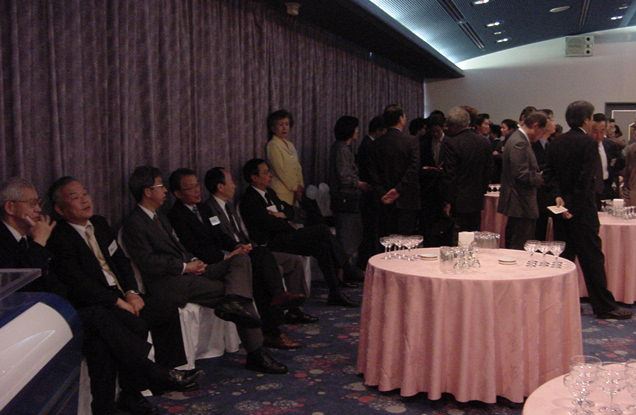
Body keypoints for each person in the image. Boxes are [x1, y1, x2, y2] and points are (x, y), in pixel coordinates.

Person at [46, 176, 201, 415]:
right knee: (127, 327)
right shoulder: (60, 237)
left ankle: (162, 374)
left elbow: (121, 261)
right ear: (59, 209)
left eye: (85, 193)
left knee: (165, 308)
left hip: (120, 295)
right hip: (95, 303)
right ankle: (144, 383)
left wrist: (131, 292)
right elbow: (78, 283)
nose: (85, 200)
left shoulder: (99, 223)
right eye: (75, 197)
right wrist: (117, 301)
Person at [121, 165, 288, 374]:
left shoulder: (159, 216)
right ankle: (256, 353)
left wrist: (193, 261)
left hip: (191, 269)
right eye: (160, 186)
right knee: (236, 295)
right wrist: (184, 267)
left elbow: (179, 247)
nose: (164, 191)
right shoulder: (135, 223)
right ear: (147, 191)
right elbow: (148, 262)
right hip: (169, 283)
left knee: (240, 260)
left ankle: (236, 305)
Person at [167, 167, 304, 350]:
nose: (197, 190)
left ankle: (275, 312)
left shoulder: (204, 208)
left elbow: (219, 234)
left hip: (227, 258)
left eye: (197, 185)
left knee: (259, 256)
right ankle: (272, 326)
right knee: (257, 269)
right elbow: (194, 247)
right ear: (177, 193)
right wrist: (225, 256)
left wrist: (236, 246)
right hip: (208, 263)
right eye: (190, 188)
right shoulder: (176, 216)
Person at [544, 100, 631, 320]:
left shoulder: (556, 142)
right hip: (581, 211)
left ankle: (558, 301)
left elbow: (549, 174)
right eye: (591, 118)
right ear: (586, 120)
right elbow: (585, 181)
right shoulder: (588, 143)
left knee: (564, 257)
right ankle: (604, 306)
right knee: (592, 258)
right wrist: (572, 207)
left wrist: (559, 199)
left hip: (560, 208)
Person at [204, 167, 318, 325]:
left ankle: (295, 309)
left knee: (293, 261)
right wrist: (238, 247)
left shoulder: (229, 206)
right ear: (220, 187)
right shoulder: (209, 209)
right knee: (267, 263)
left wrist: (247, 244)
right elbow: (218, 237)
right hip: (235, 255)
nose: (235, 185)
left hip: (248, 248)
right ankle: (277, 306)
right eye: (231, 182)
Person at [240, 158, 360, 307]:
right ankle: (347, 268)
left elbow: (288, 209)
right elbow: (267, 224)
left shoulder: (269, 193)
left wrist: (283, 215)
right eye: (265, 172)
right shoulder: (250, 199)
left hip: (286, 236)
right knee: (322, 230)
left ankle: (335, 293)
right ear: (254, 177)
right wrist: (284, 220)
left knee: (322, 246)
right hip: (272, 242)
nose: (270, 175)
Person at [0, 177, 63, 294]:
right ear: (10, 207)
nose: (38, 209)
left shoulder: (32, 238)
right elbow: (19, 283)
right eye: (32, 204)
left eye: (38, 203)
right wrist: (39, 241)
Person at [367, 104, 420, 236]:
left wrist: (382, 192)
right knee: (406, 240)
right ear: (401, 118)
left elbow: (372, 172)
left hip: (383, 199)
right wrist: (398, 190)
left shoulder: (376, 143)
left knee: (385, 239)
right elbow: (413, 169)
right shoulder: (411, 141)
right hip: (406, 199)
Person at [497, 112, 547, 249]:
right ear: (536, 126)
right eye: (542, 131)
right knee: (519, 244)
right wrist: (542, 178)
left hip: (518, 201)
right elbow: (520, 173)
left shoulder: (517, 138)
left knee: (517, 240)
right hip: (520, 201)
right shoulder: (520, 141)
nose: (541, 135)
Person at [441, 106, 493, 233]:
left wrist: (447, 200)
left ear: (453, 125)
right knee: (474, 234)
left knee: (458, 236)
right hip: (476, 198)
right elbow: (488, 171)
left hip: (458, 200)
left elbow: (450, 175)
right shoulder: (484, 142)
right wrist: (481, 190)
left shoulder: (451, 143)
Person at [329, 115, 367, 269]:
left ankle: (344, 272)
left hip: (344, 199)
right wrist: (360, 184)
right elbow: (344, 177)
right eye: (356, 128)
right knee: (347, 237)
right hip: (346, 199)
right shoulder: (342, 149)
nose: (357, 131)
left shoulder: (340, 147)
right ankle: (344, 273)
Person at [355, 115, 385, 268]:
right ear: (379, 130)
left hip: (369, 193)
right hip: (369, 193)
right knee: (370, 230)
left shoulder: (367, 143)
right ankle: (366, 263)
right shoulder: (369, 145)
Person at [418, 113, 453, 246]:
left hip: (445, 188)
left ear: (443, 127)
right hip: (428, 189)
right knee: (428, 226)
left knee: (446, 225)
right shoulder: (424, 142)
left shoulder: (450, 142)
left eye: (437, 131)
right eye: (432, 131)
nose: (435, 134)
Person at [266, 109, 304, 206]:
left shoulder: (290, 144)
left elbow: (297, 167)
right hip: (281, 190)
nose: (284, 128)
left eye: (287, 124)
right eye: (281, 125)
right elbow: (281, 170)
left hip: (295, 190)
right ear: (273, 128)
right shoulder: (273, 145)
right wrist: (294, 187)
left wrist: (300, 185)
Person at [590, 113, 624, 202]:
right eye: (595, 131)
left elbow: (620, 164)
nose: (599, 135)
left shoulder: (611, 146)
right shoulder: (584, 147)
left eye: (602, 131)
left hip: (607, 187)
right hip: (589, 189)